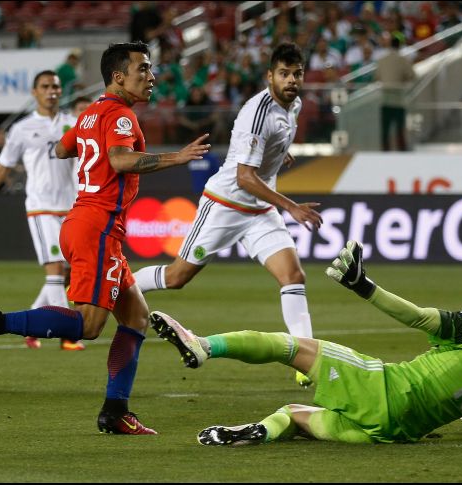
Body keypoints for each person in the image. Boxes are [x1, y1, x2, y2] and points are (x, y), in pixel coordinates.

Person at [0, 41, 211, 435]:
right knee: (90, 326)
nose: (151, 76)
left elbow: (60, 148)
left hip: (83, 221)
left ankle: (115, 412)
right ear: (118, 77)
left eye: (150, 68)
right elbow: (121, 159)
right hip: (98, 227)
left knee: (137, 316)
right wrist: (176, 157)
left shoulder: (91, 113)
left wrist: (86, 145)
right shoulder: (121, 116)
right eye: (142, 69)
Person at [149, 240, 462, 445]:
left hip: (382, 390)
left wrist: (364, 286)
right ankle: (260, 432)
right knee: (292, 413)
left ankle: (203, 345)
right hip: (393, 434)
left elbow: (419, 317)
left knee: (289, 346)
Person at [134, 43, 323, 388]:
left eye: (297, 73)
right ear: (270, 76)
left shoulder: (293, 104)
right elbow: (243, 177)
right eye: (284, 73)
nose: (292, 80)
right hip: (225, 204)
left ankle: (307, 359)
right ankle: (122, 287)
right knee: (177, 278)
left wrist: (281, 153)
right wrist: (291, 206)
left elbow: (266, 149)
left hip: (259, 211)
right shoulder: (258, 111)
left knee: (293, 277)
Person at [0, 70, 85, 352]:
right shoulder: (22, 129)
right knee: (55, 271)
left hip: (72, 208)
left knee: (66, 274)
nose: (52, 90)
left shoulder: (72, 124)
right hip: (42, 208)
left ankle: (34, 323)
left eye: (56, 86)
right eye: (45, 86)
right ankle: (68, 336)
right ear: (34, 92)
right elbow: (2, 167)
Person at [374, 32, 415, 151]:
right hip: (399, 99)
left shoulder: (382, 60)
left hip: (385, 98)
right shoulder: (403, 59)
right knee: (399, 128)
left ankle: (385, 151)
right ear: (400, 45)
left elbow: (377, 77)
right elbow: (411, 75)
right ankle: (401, 151)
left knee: (385, 128)